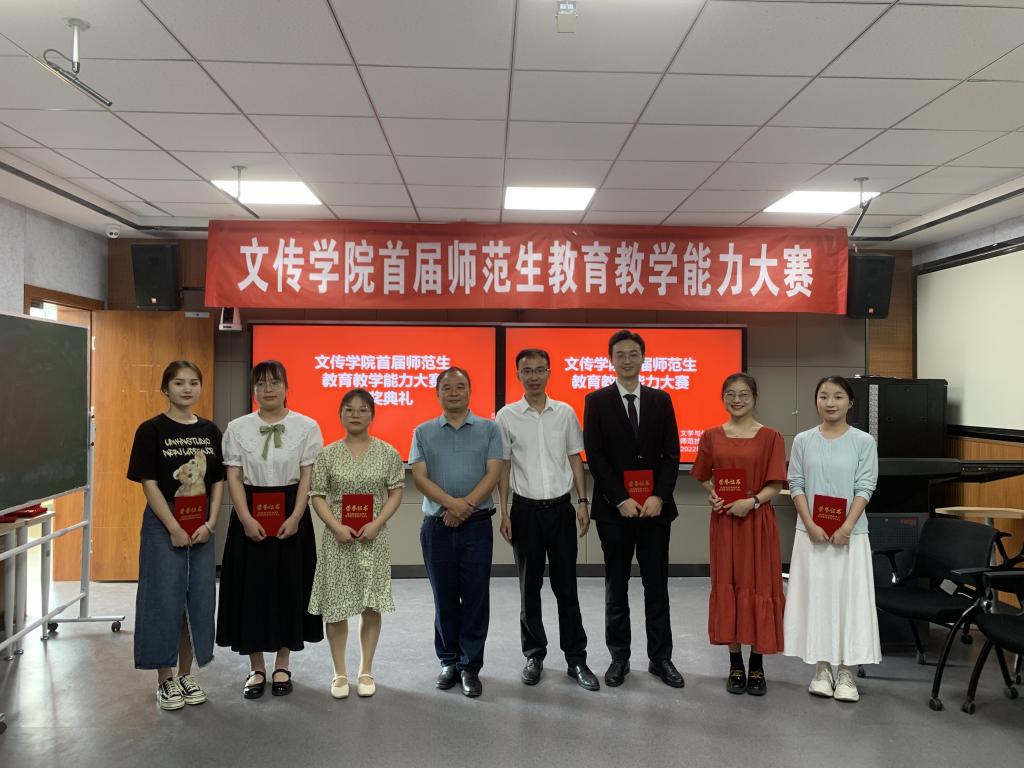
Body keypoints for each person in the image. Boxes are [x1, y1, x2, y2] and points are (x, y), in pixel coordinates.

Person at [216, 360, 324, 699]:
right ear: (253, 390)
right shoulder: (237, 427)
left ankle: (282, 664)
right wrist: (245, 518)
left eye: (275, 382)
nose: (268, 389)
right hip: (250, 513)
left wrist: (296, 516)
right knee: (252, 590)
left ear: (286, 387)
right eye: (261, 383)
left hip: (292, 513)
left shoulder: (306, 426)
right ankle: (256, 668)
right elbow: (234, 476)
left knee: (289, 587)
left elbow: (307, 476)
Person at [583, 329, 683, 689]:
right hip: (615, 513)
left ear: (643, 358)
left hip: (655, 511)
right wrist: (620, 498)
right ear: (611, 360)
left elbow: (672, 453)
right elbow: (595, 455)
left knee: (657, 586)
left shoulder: (661, 400)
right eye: (620, 354)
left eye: (633, 354)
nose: (627, 360)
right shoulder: (596, 401)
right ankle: (619, 658)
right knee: (617, 586)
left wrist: (659, 496)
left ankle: (661, 658)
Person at [496, 348, 599, 692]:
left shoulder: (564, 413)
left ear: (550, 373)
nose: (534, 376)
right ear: (518, 375)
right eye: (527, 371)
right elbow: (504, 466)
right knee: (529, 589)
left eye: (540, 370)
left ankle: (576, 658)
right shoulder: (507, 416)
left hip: (560, 510)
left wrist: (582, 502)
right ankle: (534, 655)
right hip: (524, 512)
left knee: (567, 587)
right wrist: (504, 510)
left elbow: (575, 458)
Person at [126, 360, 224, 711]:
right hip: (164, 520)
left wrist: (210, 524)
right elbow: (149, 483)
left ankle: (186, 673)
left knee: (197, 599)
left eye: (194, 382)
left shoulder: (211, 431)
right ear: (165, 388)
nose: (187, 389)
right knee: (163, 597)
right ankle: (165, 678)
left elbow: (218, 482)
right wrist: (173, 526)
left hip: (201, 521)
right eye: (179, 382)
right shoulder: (150, 430)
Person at [783, 375, 880, 703]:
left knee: (849, 600)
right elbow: (795, 483)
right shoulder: (803, 440)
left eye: (838, 396)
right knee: (818, 599)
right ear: (816, 401)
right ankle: (822, 669)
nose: (830, 402)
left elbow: (865, 485)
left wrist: (847, 526)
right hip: (811, 535)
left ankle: (847, 672)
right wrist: (809, 523)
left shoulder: (863, 441)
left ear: (850, 402)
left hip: (850, 536)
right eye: (823, 396)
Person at [690, 373, 786, 696]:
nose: (737, 400)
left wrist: (752, 501)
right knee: (728, 585)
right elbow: (702, 475)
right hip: (725, 522)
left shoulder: (771, 437)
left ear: (755, 398)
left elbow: (776, 484)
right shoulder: (711, 436)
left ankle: (757, 664)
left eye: (744, 394)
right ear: (722, 398)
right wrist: (713, 493)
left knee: (760, 586)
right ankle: (735, 664)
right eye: (730, 394)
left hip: (757, 522)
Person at [409, 366, 503, 698]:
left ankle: (470, 666)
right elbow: (420, 477)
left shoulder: (490, 429)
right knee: (444, 597)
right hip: (437, 528)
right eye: (446, 388)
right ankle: (448, 661)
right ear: (437, 394)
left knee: (476, 598)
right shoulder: (423, 431)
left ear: (469, 392)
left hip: (476, 527)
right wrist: (452, 505)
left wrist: (466, 507)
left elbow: (493, 473)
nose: (453, 392)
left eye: (460, 387)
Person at [308, 389, 404, 699]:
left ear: (372, 415)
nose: (355, 415)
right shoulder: (328, 454)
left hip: (374, 538)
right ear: (340, 415)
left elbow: (396, 491)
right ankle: (339, 673)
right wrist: (335, 527)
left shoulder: (388, 452)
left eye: (362, 410)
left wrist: (377, 523)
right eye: (349, 409)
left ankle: (365, 670)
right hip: (338, 539)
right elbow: (317, 495)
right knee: (336, 608)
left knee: (370, 605)